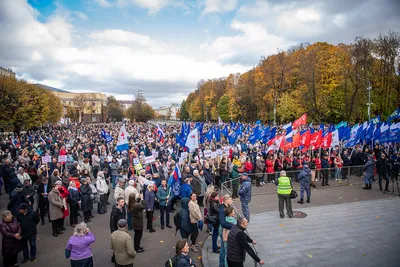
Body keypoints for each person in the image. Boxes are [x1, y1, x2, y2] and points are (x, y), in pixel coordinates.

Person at [218, 195, 233, 267]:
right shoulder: (222, 209)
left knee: (224, 249)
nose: (231, 200)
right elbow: (223, 223)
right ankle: (222, 264)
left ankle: (222, 264)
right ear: (226, 200)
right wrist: (233, 226)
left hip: (224, 231)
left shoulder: (225, 207)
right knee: (224, 249)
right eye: (230, 199)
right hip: (223, 231)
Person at [110, 197, 126, 263]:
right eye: (122, 202)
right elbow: (112, 223)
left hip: (122, 228)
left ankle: (116, 257)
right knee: (116, 245)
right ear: (118, 202)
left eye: (123, 201)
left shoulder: (123, 208)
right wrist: (113, 232)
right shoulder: (114, 211)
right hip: (116, 230)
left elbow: (124, 217)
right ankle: (114, 258)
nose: (123, 203)